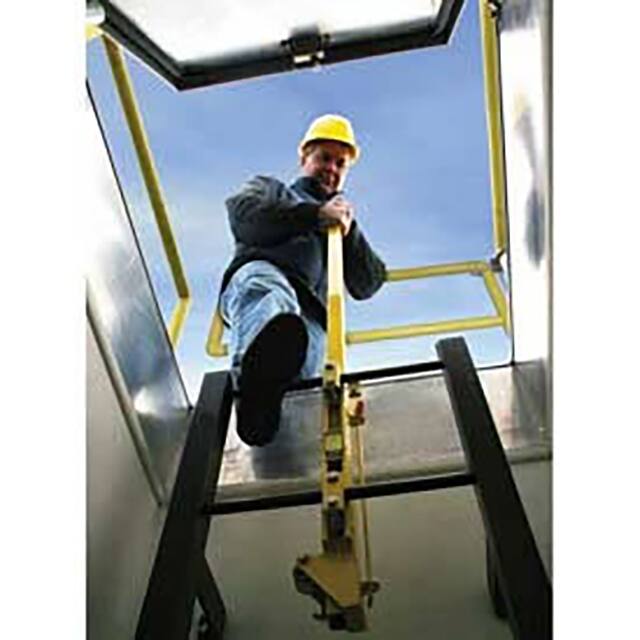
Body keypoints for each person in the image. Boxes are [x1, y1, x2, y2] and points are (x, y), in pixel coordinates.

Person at [218, 114, 386, 446]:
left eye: (340, 163)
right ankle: (252, 389)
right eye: (324, 158)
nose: (331, 168)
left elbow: (369, 281)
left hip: (311, 321)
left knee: (303, 375)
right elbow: (244, 216)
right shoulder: (273, 190)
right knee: (273, 298)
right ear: (304, 157)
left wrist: (348, 230)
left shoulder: (338, 227)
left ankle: (267, 419)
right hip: (266, 277)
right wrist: (315, 215)